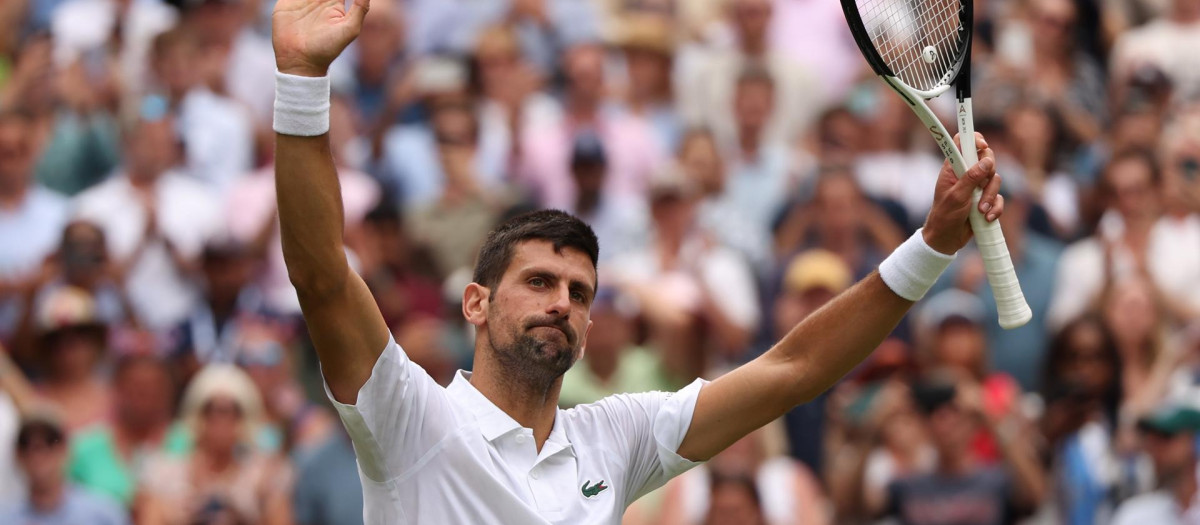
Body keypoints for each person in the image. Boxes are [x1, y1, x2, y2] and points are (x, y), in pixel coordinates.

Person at [269, 2, 1005, 522]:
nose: (563, 301)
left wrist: (934, 241)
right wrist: (302, 78)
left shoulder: (611, 439)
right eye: (538, 282)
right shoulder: (409, 417)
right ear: (475, 303)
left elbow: (794, 370)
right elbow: (322, 276)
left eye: (580, 291)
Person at [0, 410, 130, 525]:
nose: (37, 451)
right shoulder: (5, 519)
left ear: (66, 449)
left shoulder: (103, 515)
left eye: (50, 440)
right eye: (26, 443)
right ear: (17, 454)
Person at [1111, 400, 1200, 524]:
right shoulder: (1135, 517)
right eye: (1151, 439)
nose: (1153, 448)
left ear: (1194, 441)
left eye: (1165, 437)